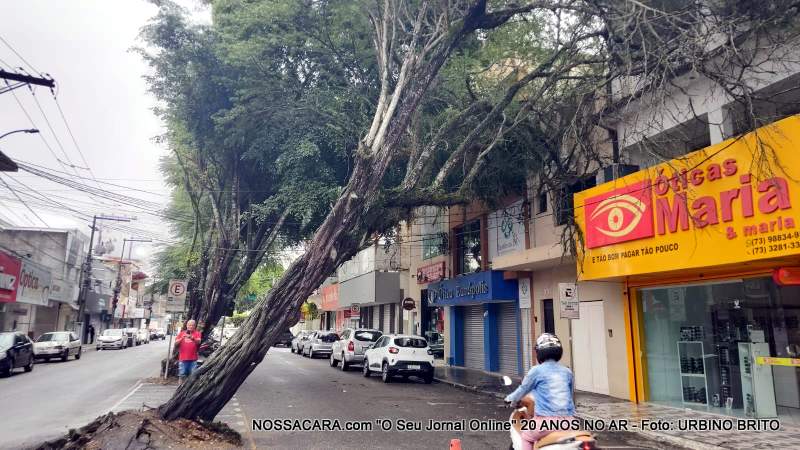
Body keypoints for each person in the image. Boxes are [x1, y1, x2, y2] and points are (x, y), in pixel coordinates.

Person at [505, 333, 576, 450]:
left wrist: (509, 399)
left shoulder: (536, 371)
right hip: (569, 422)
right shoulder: (567, 372)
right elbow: (570, 395)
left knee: (526, 437)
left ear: (539, 352)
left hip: (545, 423)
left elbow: (522, 390)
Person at [175, 319, 202, 384]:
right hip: (183, 359)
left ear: (195, 326)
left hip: (193, 359)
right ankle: (180, 388)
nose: (191, 326)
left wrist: (192, 338)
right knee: (181, 375)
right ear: (187, 325)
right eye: (189, 325)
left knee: (193, 376)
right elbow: (175, 343)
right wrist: (182, 338)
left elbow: (199, 342)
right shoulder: (182, 333)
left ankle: (190, 389)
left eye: (192, 325)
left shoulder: (197, 333)